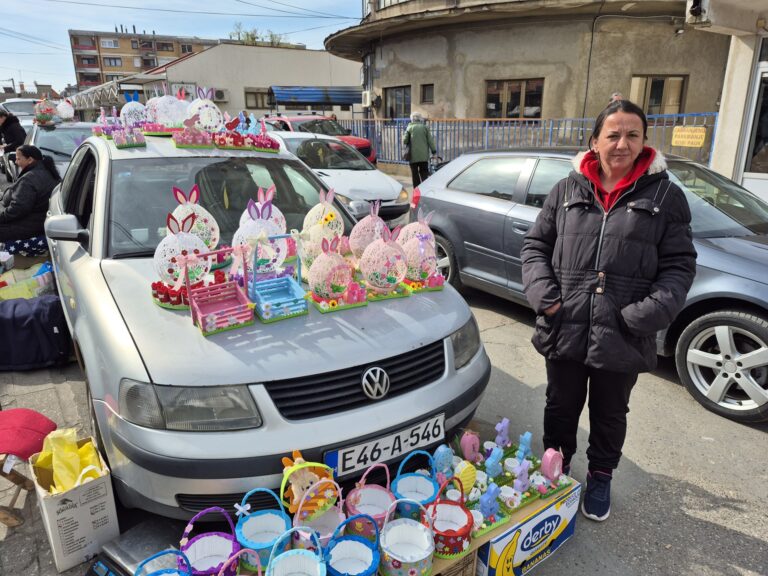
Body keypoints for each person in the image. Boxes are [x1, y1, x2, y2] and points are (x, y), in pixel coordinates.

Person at [520, 99, 696, 523]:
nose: (622, 143)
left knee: (610, 412)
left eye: (632, 134)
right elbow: (535, 246)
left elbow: (679, 266)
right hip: (565, 324)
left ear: (644, 141)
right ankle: (555, 467)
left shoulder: (667, 195)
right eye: (612, 134)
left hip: (621, 332)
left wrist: (640, 316)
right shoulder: (567, 189)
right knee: (559, 406)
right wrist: (547, 298)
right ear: (594, 141)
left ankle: (600, 475)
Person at [0, 145, 61, 243]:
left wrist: (2, 218)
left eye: (18, 159)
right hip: (40, 221)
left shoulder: (29, 179)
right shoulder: (46, 171)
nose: (16, 162)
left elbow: (19, 208)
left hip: (32, 225)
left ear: (30, 160)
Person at [403, 111, 436, 187]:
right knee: (424, 173)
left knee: (415, 175)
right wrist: (434, 151)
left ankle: (417, 191)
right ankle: (425, 189)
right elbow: (430, 140)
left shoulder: (409, 128)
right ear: (420, 119)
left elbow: (405, 140)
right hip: (424, 157)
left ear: (412, 119)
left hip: (413, 157)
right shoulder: (425, 127)